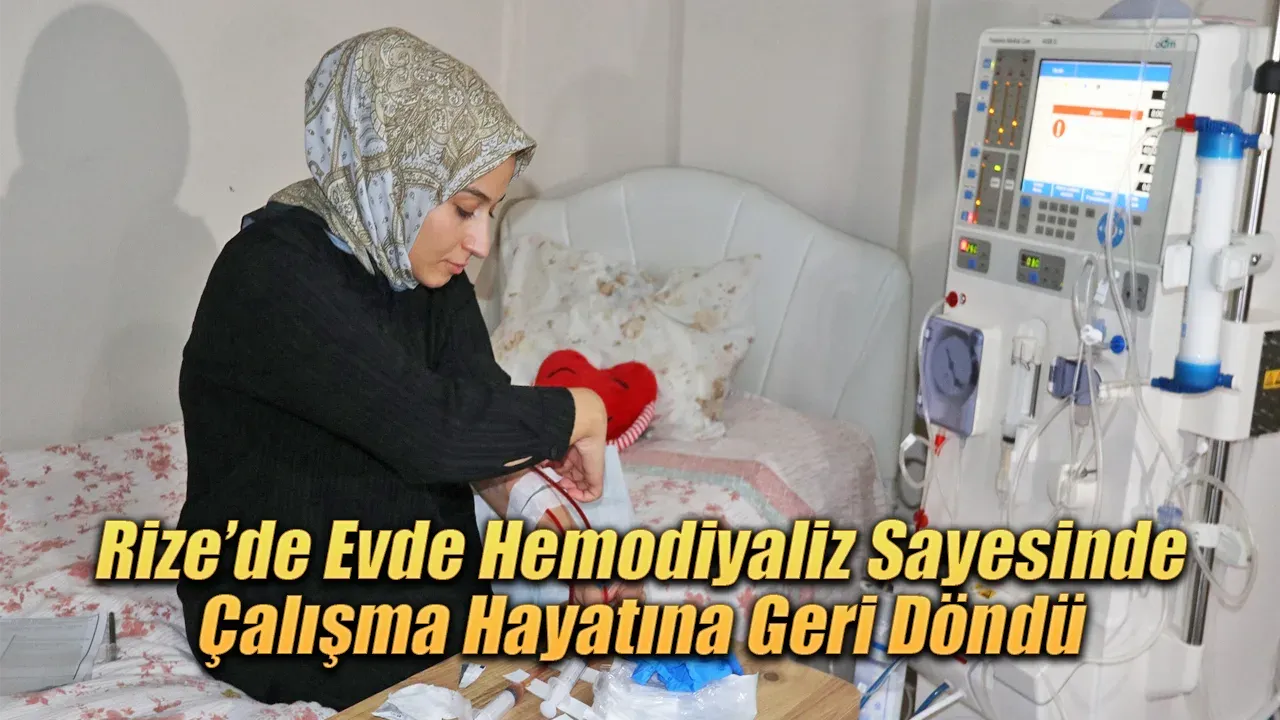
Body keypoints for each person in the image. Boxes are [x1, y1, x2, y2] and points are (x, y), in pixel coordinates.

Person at [175, 27, 627, 710]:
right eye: (465, 208)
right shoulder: (270, 273)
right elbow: (434, 431)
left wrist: (560, 530)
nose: (480, 242)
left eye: (490, 212)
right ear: (397, 176)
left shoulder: (423, 268)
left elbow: (479, 418)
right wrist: (581, 411)